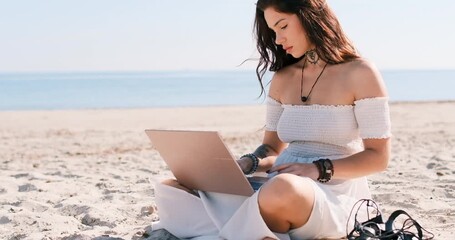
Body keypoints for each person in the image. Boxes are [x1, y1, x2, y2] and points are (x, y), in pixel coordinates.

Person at [152, 0, 391, 239]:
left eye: (282, 26)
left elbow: (378, 157)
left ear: (310, 16)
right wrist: (247, 164)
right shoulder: (283, 78)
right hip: (276, 184)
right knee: (171, 187)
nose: (277, 40)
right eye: (273, 31)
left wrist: (316, 169)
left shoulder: (360, 72)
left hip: (332, 192)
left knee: (282, 189)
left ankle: (240, 226)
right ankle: (255, 228)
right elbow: (272, 149)